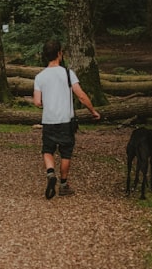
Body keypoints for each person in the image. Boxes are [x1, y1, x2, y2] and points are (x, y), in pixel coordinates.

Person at [32, 38, 101, 198]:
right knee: (66, 152)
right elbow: (81, 96)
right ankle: (63, 185)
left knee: (47, 149)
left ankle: (50, 173)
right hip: (66, 121)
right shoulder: (68, 74)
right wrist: (93, 111)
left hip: (49, 121)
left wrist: (47, 103)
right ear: (59, 54)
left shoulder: (40, 77)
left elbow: (37, 102)